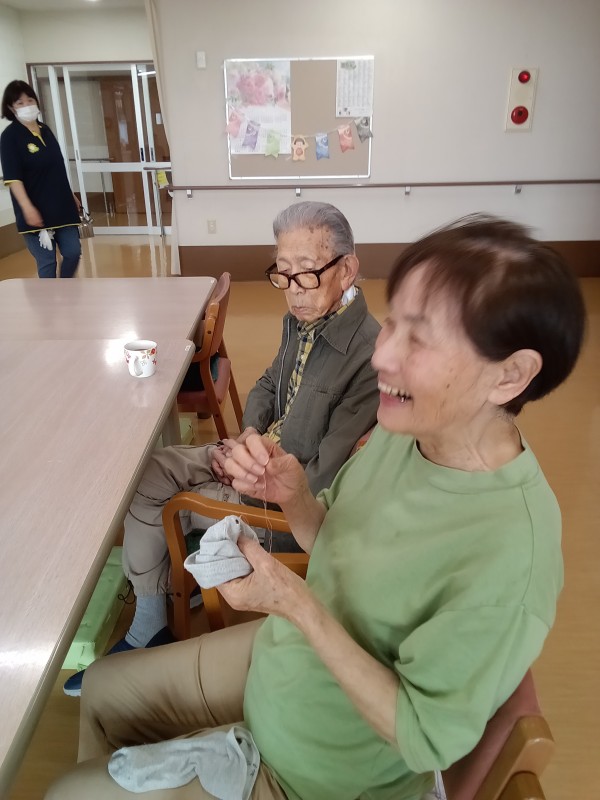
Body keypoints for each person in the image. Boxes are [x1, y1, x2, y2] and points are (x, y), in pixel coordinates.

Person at [48, 214, 586, 800]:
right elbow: (332, 532)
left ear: (510, 374)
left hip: (315, 771)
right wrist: (295, 494)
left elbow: (424, 740)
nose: (382, 354)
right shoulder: (407, 434)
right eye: (394, 322)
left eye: (421, 338)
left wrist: (296, 604)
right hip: (282, 660)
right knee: (101, 690)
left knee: (66, 792)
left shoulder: (511, 553)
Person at [62, 200, 381, 696]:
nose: (293, 290)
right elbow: (267, 384)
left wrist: (248, 472)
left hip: (282, 508)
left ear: (347, 269)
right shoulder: (303, 318)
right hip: (253, 458)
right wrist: (247, 436)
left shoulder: (368, 357)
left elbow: (321, 481)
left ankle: (151, 622)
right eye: (283, 272)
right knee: (146, 473)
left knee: (167, 504)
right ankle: (159, 607)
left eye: (307, 272)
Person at [0, 80, 81, 278]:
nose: (27, 105)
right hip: (34, 209)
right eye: (20, 103)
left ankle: (64, 287)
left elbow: (57, 168)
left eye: (30, 100)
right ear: (11, 107)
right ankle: (49, 297)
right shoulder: (10, 137)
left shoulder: (45, 129)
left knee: (73, 252)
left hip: (62, 206)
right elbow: (13, 178)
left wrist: (70, 194)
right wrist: (27, 208)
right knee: (47, 261)